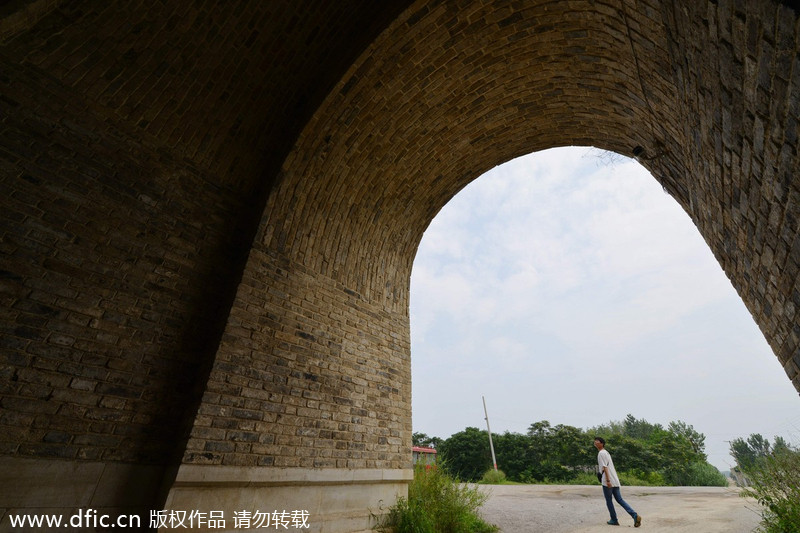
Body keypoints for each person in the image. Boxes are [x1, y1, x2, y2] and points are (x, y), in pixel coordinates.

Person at [594, 437, 642, 527]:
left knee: (609, 501)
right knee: (620, 500)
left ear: (602, 443)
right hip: (614, 479)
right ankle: (634, 515)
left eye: (597, 441)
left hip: (608, 480)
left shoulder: (601, 453)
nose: (595, 442)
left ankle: (614, 519)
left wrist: (608, 481)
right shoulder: (606, 453)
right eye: (595, 441)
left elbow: (605, 467)